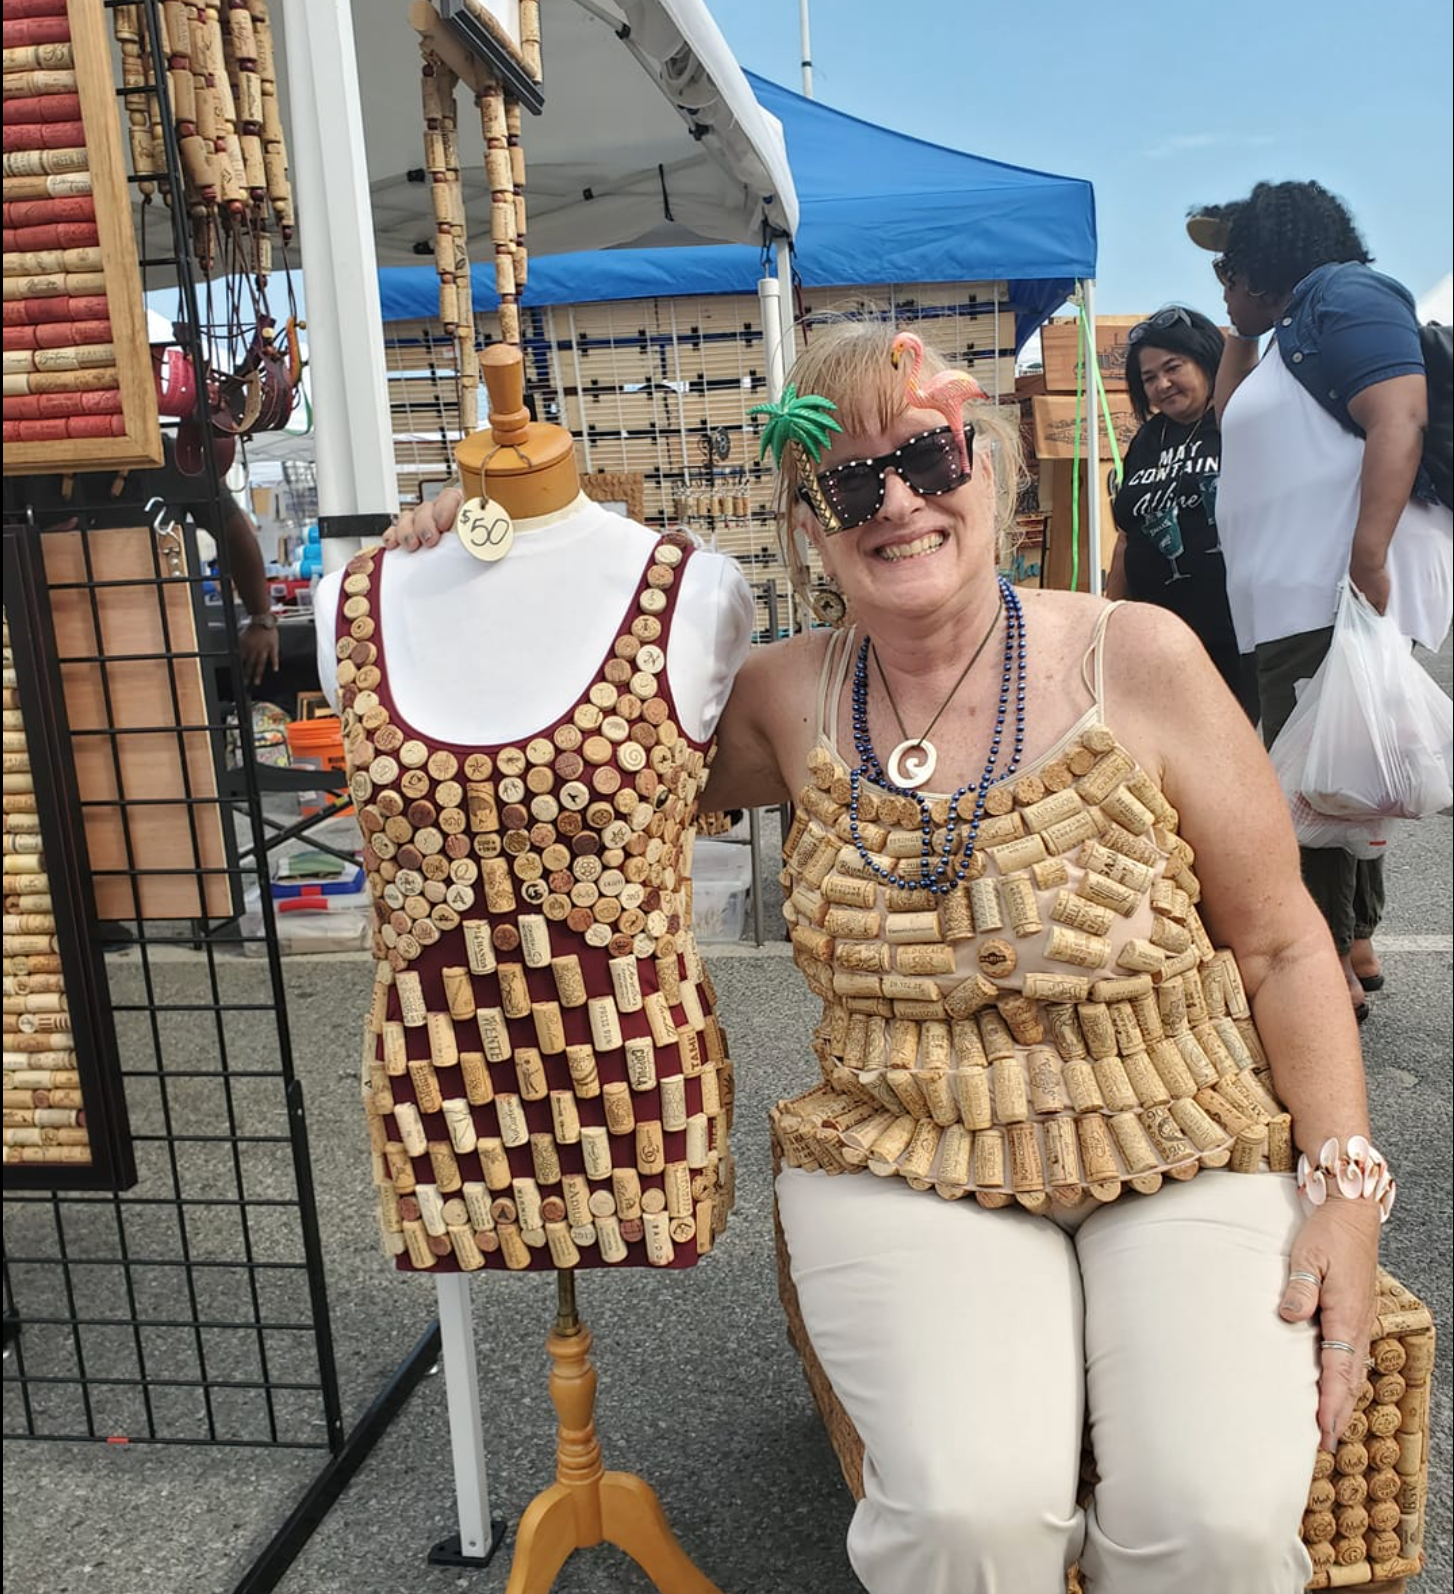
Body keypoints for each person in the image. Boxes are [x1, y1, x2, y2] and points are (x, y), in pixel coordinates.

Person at [390, 321, 1386, 1593]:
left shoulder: (1134, 656)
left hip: (1181, 1135)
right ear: (809, 527)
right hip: (906, 1153)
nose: (898, 503)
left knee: (1216, 1522)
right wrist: (484, 563)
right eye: (850, 483)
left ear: (991, 469)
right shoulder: (777, 696)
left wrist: (1343, 1187)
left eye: (927, 457)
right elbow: (562, 764)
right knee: (966, 1515)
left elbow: (1284, 942)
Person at [1188, 180, 1453, 1020]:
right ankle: (1356, 942)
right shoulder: (1288, 333)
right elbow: (1230, 416)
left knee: (1305, 790)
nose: (1221, 283)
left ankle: (1323, 967)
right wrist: (1241, 328)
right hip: (1294, 594)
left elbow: (1398, 414)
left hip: (1326, 587)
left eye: (1230, 266)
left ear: (1268, 255)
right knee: (1345, 766)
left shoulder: (1347, 294)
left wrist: (1367, 556)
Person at [1109, 305, 1258, 720]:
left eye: (1173, 367)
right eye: (1149, 378)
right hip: (1158, 639)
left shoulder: (1235, 422)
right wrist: (1110, 618)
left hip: (1233, 635)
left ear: (1205, 359)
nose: (1162, 384)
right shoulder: (1146, 440)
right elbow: (1128, 536)